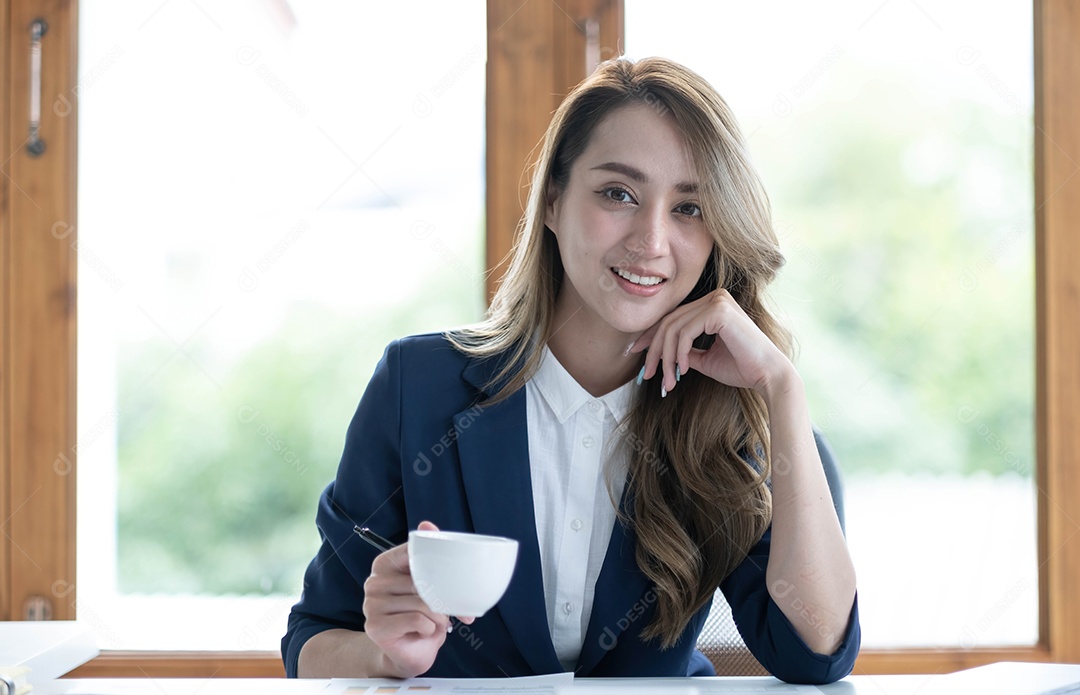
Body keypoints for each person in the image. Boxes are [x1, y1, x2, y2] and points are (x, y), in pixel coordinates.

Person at [282, 56, 860, 684]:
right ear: (553, 202)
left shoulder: (735, 419)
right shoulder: (416, 388)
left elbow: (815, 653)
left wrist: (781, 385)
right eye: (619, 194)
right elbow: (313, 638)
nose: (651, 241)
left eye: (690, 208)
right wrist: (387, 656)